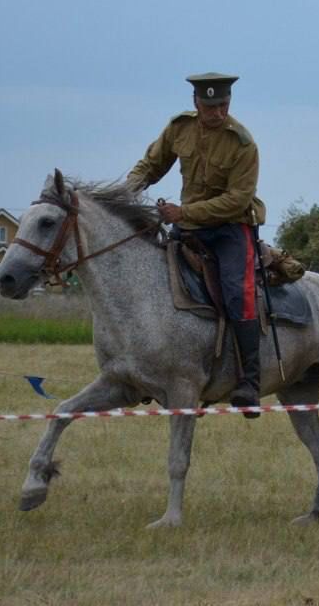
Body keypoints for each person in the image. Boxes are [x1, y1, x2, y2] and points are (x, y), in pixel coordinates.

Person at [125, 72, 267, 417]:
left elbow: (236, 200)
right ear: (196, 103)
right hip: (188, 226)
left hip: (231, 229)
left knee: (237, 291)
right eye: (210, 105)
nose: (217, 112)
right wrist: (125, 193)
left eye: (223, 105)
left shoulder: (243, 143)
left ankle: (250, 381)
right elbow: (152, 165)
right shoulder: (179, 128)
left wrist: (183, 212)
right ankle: (146, 371)